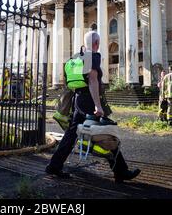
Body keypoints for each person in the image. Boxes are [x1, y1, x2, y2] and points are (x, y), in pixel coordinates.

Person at [45, 31, 141, 183]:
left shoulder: (76, 57)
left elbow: (72, 81)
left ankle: (54, 166)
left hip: (78, 99)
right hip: (89, 101)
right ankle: (120, 171)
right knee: (106, 133)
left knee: (71, 134)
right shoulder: (93, 56)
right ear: (97, 43)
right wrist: (98, 106)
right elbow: (93, 81)